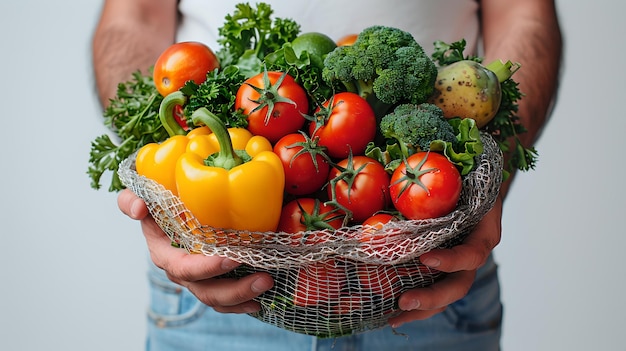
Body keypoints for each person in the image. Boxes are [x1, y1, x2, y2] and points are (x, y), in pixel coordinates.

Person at [92, 1, 562, 350]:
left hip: (429, 276)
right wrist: (164, 201)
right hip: (217, 285)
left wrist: (486, 184)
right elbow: (132, 18)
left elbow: (524, 14)